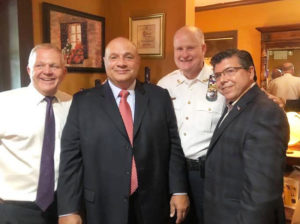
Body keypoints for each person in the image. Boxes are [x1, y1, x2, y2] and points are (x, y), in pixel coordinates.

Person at [57, 37, 189, 224]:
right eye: (114, 57)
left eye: (128, 57)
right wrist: (68, 209)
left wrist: (179, 189)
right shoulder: (82, 102)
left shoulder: (160, 97)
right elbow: (70, 159)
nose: (121, 63)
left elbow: (174, 146)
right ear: (104, 62)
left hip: (152, 204)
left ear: (138, 61)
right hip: (101, 205)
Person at [204, 49, 290, 224]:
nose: (223, 80)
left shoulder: (265, 112)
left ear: (250, 72)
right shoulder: (235, 104)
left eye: (230, 71)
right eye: (218, 75)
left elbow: (261, 192)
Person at [157, 25, 225, 223]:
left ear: (203, 49)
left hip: (208, 175)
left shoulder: (221, 81)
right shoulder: (164, 85)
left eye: (190, 48)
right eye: (179, 49)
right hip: (171, 174)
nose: (184, 54)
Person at [0, 43, 72, 223]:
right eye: (40, 65)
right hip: (13, 208)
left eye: (54, 66)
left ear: (64, 72)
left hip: (60, 207)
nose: (47, 71)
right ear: (28, 70)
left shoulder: (72, 104)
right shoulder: (4, 103)